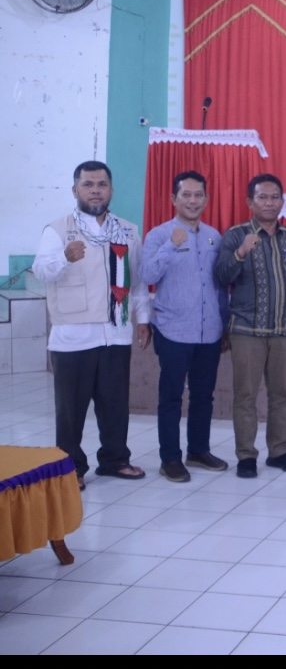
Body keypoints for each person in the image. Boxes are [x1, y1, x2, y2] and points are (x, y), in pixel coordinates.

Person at [32, 161, 151, 488]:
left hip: (116, 334)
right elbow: (41, 271)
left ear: (111, 190)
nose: (95, 190)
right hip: (73, 337)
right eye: (88, 184)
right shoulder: (57, 230)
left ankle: (115, 460)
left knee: (115, 405)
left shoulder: (127, 231)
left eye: (101, 184)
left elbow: (139, 281)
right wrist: (64, 257)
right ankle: (70, 468)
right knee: (70, 410)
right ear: (75, 190)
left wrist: (143, 319)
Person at [215, 174, 286, 479]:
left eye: (274, 197)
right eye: (262, 197)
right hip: (247, 331)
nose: (269, 203)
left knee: (281, 395)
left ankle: (279, 451)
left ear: (282, 202)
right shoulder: (236, 235)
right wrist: (241, 253)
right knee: (245, 396)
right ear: (250, 202)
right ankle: (246, 455)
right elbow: (221, 277)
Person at [141, 171, 229, 483]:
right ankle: (170, 459)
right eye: (186, 195)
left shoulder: (213, 236)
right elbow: (147, 276)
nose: (193, 201)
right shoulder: (158, 235)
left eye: (198, 195)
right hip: (173, 331)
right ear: (173, 199)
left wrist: (224, 325)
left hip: (209, 332)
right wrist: (170, 246)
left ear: (206, 199)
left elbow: (219, 285)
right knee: (171, 397)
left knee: (204, 395)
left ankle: (198, 450)